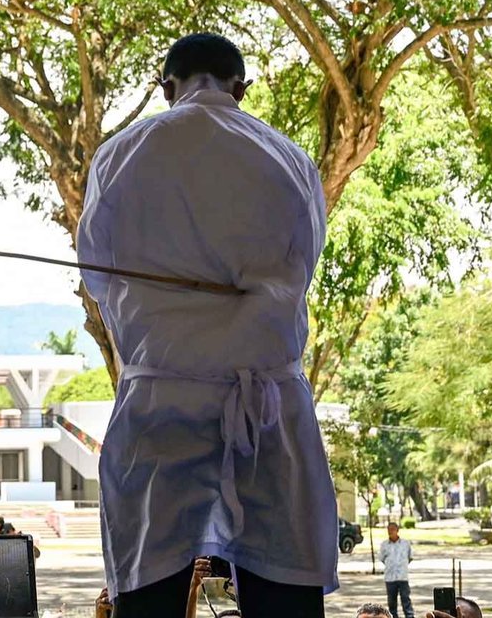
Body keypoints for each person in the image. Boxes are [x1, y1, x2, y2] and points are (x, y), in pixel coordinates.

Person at [78, 32, 337, 618]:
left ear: (166, 86)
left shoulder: (121, 154)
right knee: (283, 586)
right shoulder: (289, 158)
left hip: (159, 402)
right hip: (270, 409)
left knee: (149, 593)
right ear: (240, 89)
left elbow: (97, 278)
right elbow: (305, 266)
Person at [379, 522, 415, 618]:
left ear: (397, 530)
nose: (390, 532)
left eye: (392, 529)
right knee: (392, 602)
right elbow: (382, 558)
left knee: (406, 599)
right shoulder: (384, 545)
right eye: (388, 530)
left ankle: (410, 616)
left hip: (402, 576)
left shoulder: (405, 544)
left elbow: (410, 557)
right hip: (390, 578)